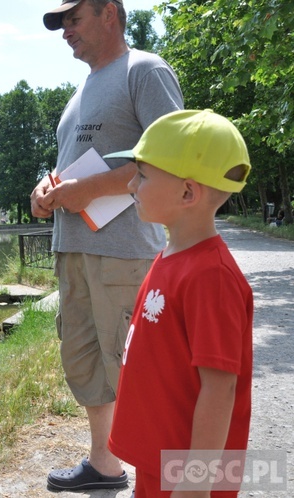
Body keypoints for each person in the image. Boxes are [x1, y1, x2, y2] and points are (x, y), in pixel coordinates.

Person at [30, 0, 183, 491]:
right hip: (72, 247)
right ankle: (105, 464)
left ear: (109, 13)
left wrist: (89, 190)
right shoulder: (81, 91)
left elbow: (172, 159)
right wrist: (45, 190)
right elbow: (73, 163)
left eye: (73, 19)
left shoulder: (145, 70)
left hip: (123, 250)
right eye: (61, 23)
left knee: (133, 365)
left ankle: (169, 477)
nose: (64, 32)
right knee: (86, 360)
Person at [106, 109, 254, 497]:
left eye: (142, 175)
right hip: (161, 459)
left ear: (188, 192)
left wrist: (196, 483)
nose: (131, 185)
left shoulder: (212, 277)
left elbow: (220, 388)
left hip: (186, 473)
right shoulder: (171, 254)